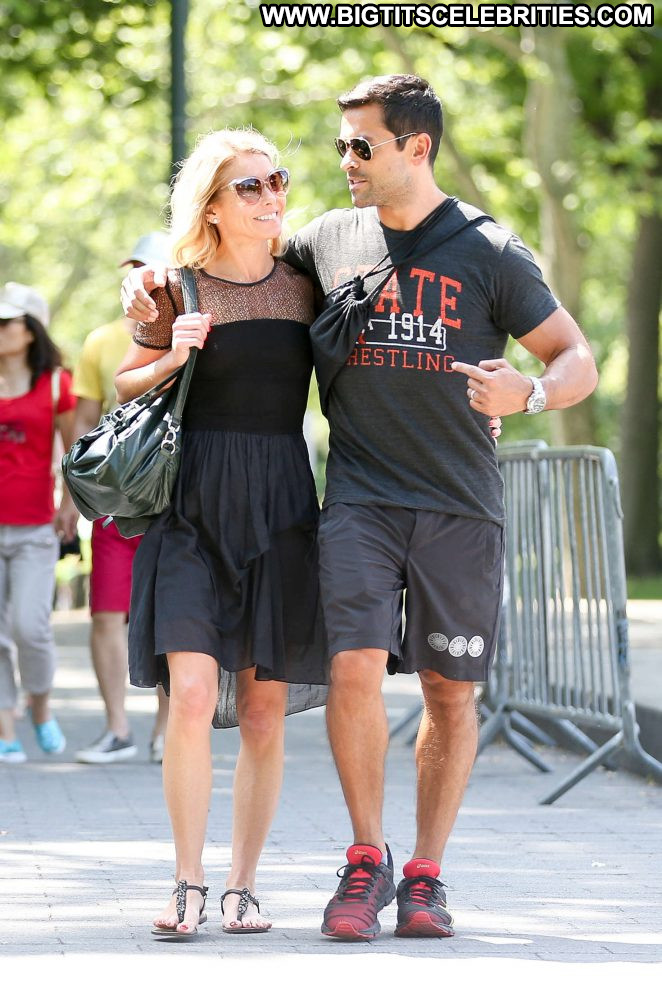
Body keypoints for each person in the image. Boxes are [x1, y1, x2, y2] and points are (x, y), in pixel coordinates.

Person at [122, 75, 598, 941]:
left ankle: (425, 874)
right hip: (356, 500)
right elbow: (229, 261)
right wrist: (148, 278)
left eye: (361, 145)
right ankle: (365, 856)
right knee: (352, 668)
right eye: (340, 144)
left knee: (451, 691)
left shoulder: (492, 249)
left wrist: (529, 393)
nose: (344, 160)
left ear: (416, 147)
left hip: (458, 501)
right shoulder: (329, 240)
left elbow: (576, 357)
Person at [114, 128, 327, 937]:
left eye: (277, 180)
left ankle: (243, 885)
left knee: (265, 712)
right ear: (210, 204)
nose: (271, 196)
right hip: (191, 508)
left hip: (281, 506)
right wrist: (172, 354)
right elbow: (125, 384)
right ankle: (187, 881)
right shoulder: (175, 288)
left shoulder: (306, 285)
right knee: (194, 695)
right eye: (250, 186)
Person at [61, 234, 172, 765]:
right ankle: (116, 728)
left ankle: (167, 731)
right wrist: (72, 494)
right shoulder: (102, 340)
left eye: (153, 267)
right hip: (117, 496)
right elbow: (85, 420)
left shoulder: (196, 328)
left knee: (173, 614)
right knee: (106, 614)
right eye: (135, 266)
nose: (142, 276)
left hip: (172, 496)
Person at [0, 282, 77, 763]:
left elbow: (72, 454)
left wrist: (69, 503)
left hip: (35, 526)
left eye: (5, 322)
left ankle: (41, 707)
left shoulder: (55, 384)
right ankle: (5, 726)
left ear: (29, 331)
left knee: (30, 627)